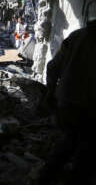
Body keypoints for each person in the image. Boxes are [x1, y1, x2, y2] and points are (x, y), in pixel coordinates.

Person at [38, 15, 96, 185]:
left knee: (69, 142)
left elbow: (52, 66)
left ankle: (46, 177)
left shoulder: (76, 37)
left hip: (66, 102)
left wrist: (50, 92)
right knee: (85, 149)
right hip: (88, 106)